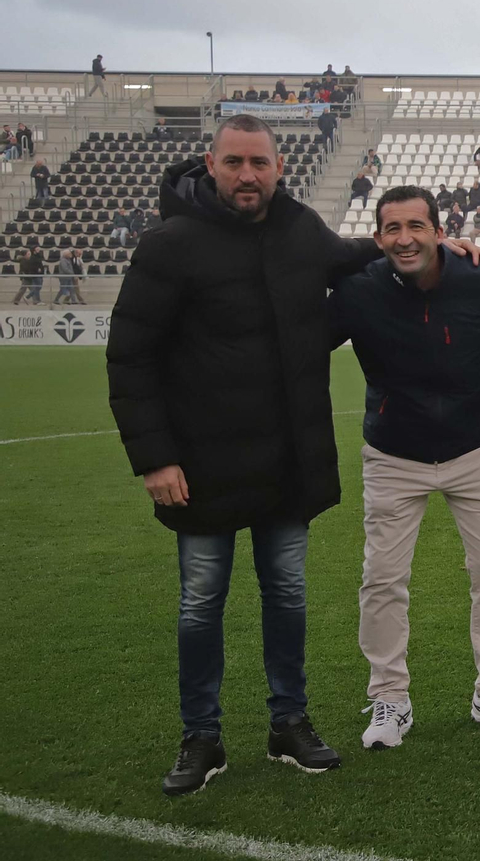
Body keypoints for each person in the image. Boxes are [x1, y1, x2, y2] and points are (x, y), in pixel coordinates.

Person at [105, 114, 380, 796]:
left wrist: (429, 243)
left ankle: (289, 723)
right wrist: (155, 459)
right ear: (211, 164)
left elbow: (353, 255)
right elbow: (130, 356)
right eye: (234, 162)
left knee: (286, 595)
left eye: (259, 162)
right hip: (201, 468)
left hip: (287, 462)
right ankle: (201, 736)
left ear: (280, 167)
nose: (248, 175)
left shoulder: (299, 228)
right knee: (201, 604)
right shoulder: (170, 243)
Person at [329, 186, 480, 748]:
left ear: (440, 232)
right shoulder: (359, 288)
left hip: (474, 449)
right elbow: (308, 338)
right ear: (377, 238)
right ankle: (389, 698)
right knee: (382, 579)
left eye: (416, 226)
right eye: (392, 229)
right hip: (393, 455)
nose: (405, 239)